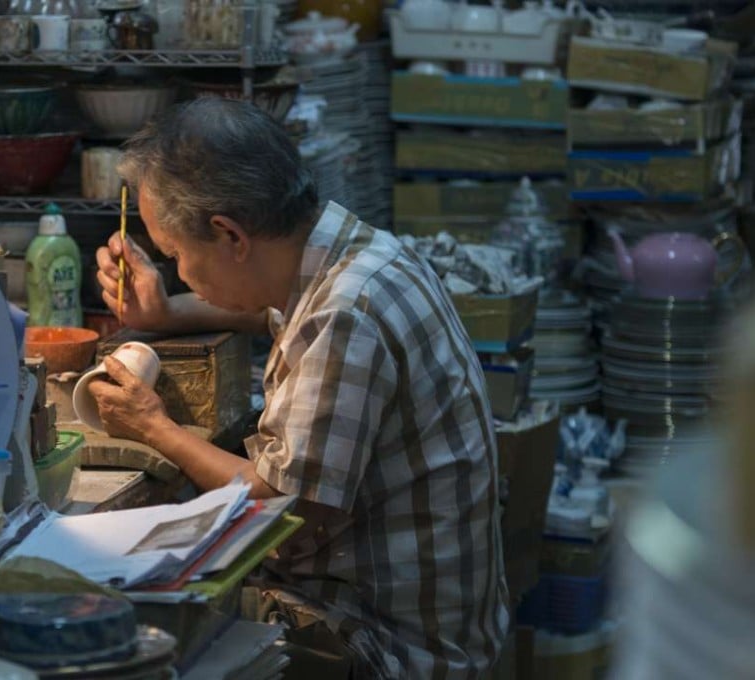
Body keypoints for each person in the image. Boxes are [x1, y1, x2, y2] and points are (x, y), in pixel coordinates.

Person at [89, 97, 509, 678]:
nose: (178, 272)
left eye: (175, 255)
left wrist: (153, 426)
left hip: (385, 644)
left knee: (128, 636)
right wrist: (165, 314)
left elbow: (283, 509)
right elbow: (272, 310)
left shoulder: (346, 314)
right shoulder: (351, 252)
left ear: (230, 235)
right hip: (400, 612)